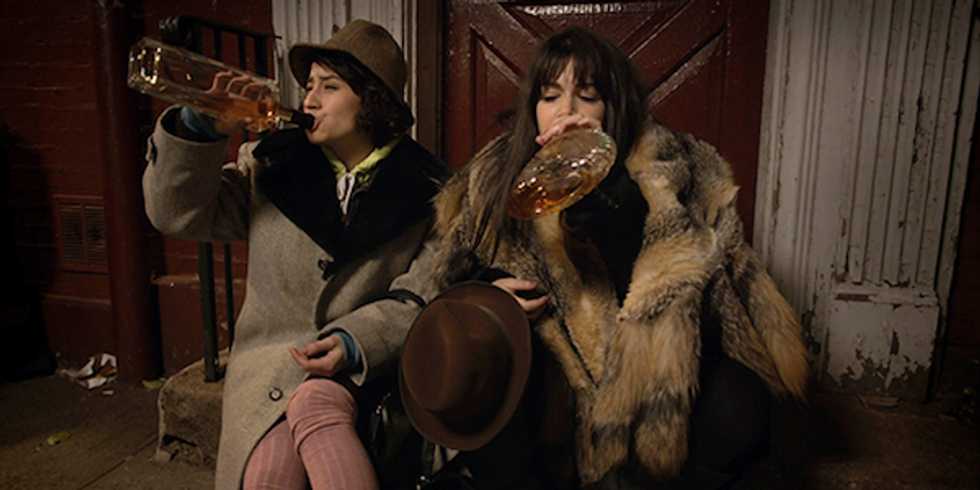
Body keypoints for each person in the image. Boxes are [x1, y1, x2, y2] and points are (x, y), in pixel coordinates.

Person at [409, 26, 809, 489]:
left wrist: (606, 188)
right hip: (553, 384)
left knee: (740, 407)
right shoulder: (495, 178)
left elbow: (703, 296)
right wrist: (493, 294)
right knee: (498, 380)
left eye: (588, 96)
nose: (566, 111)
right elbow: (456, 275)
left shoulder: (668, 170)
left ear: (611, 107)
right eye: (550, 96)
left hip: (644, 378)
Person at [142, 19, 447, 490]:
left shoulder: (432, 191)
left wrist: (353, 342)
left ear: (372, 99)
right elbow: (175, 214)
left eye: (330, 86)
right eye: (309, 86)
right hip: (268, 370)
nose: (309, 100)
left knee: (315, 411)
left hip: (365, 371)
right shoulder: (268, 163)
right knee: (265, 475)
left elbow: (422, 293)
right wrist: (199, 127)